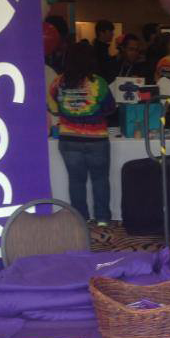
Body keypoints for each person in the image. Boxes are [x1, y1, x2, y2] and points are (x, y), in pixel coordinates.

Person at [47, 42, 116, 226]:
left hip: (68, 139)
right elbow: (110, 108)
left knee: (76, 182)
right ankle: (102, 219)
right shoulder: (98, 83)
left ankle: (81, 219)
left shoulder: (57, 83)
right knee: (100, 180)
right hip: (97, 141)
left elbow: (53, 108)